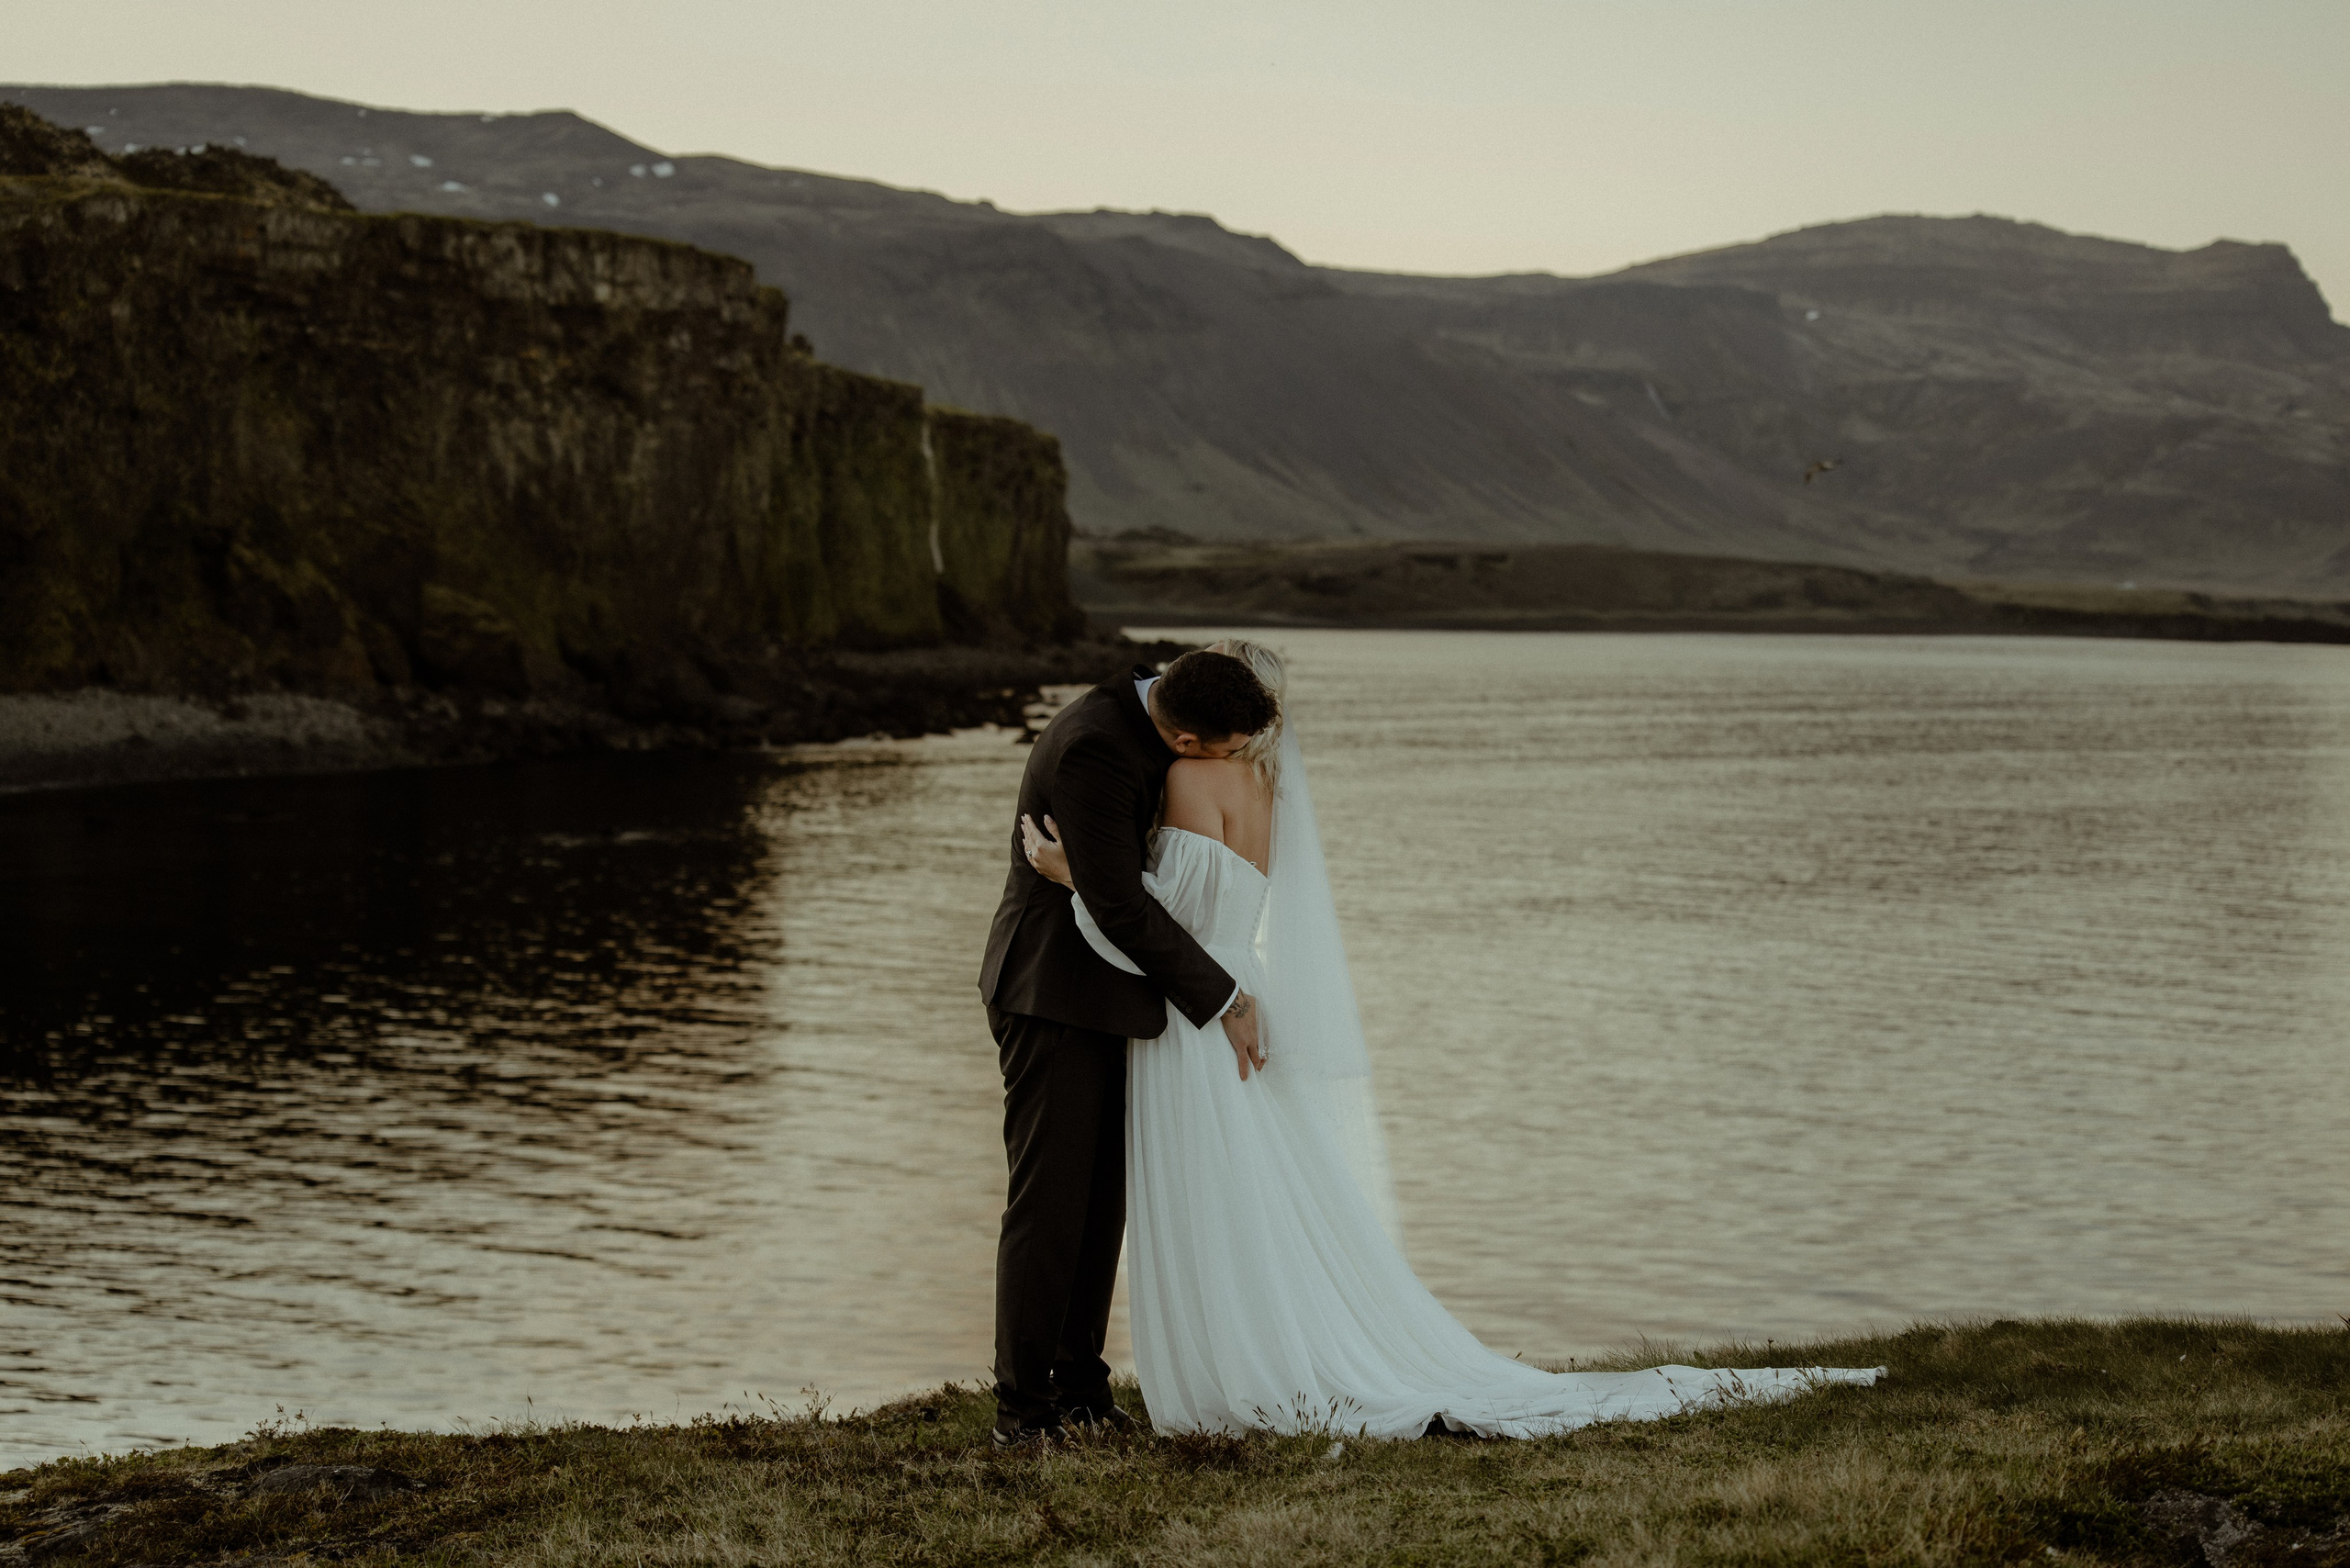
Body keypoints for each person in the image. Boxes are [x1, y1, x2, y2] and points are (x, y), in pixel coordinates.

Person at [1016, 638, 1885, 1439]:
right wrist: (1222, 982)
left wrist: (1075, 880)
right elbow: (1213, 915)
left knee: (1198, 1200)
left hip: (1193, 1016)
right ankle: (1212, 1360)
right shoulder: (1260, 784)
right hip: (1234, 998)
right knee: (1256, 1199)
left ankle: (1168, 1376)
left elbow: (1142, 917)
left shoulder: (1182, 780)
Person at [977, 648, 1279, 1448]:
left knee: (1101, 1203)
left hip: (1120, 997)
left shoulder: (1170, 696)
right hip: (1056, 998)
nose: (1231, 763)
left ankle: (1081, 1389)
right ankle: (1023, 1412)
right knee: (1050, 1208)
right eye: (1222, 751)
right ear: (1184, 740)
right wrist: (1227, 997)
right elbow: (1117, 907)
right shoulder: (1096, 749)